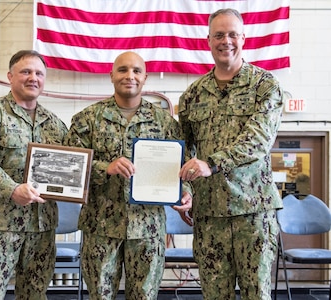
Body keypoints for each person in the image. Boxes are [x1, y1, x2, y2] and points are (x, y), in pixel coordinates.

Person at [64, 51, 193, 299]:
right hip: (100, 226)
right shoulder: (87, 119)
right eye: (122, 70)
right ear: (111, 75)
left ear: (145, 78)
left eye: (136, 71)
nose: (129, 76)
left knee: (144, 296)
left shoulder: (164, 122)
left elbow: (182, 166)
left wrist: (186, 192)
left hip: (148, 229)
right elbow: (71, 169)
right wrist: (105, 168)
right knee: (101, 296)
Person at [178, 8, 284, 300]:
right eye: (219, 35)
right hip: (209, 214)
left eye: (233, 34)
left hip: (253, 212)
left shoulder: (266, 86)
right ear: (209, 40)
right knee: (214, 295)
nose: (227, 41)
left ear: (244, 38)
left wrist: (212, 163)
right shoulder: (192, 95)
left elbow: (258, 141)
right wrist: (185, 188)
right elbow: (183, 149)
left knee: (256, 294)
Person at [0, 50, 68, 300]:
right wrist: (11, 189)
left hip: (42, 228)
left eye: (39, 73)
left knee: (35, 295)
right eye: (26, 72)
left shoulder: (54, 123)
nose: (33, 78)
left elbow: (72, 166)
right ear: (10, 76)